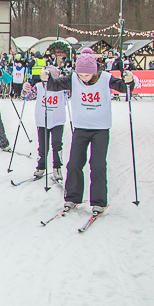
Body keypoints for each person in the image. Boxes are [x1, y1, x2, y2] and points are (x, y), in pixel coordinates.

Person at [42, 48, 133, 215]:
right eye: (81, 74)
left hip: (101, 129)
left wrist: (129, 81)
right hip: (81, 127)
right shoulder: (74, 78)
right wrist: (46, 78)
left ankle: (99, 201)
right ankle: (72, 197)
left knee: (97, 164)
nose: (83, 78)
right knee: (74, 163)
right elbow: (55, 85)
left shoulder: (105, 78)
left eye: (86, 75)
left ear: (94, 72)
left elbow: (123, 87)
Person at [21, 73, 67, 181]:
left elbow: (71, 92)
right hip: (43, 121)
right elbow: (27, 96)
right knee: (43, 146)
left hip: (57, 120)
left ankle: (57, 167)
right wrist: (25, 89)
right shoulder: (39, 86)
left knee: (57, 144)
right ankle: (41, 167)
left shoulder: (61, 86)